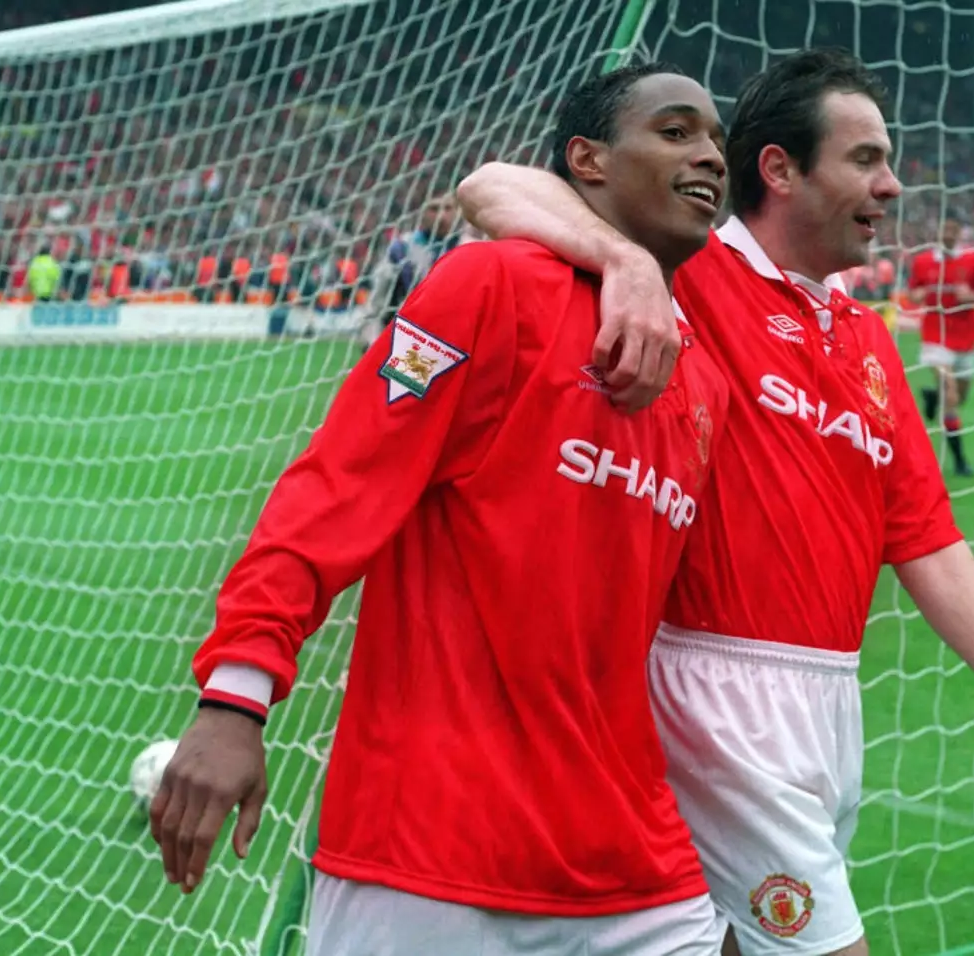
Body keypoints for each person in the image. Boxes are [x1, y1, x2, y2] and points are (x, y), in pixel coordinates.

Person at [457, 48, 974, 956]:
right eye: (865, 159)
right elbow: (490, 186)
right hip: (713, 696)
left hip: (829, 701)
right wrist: (626, 264)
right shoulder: (693, 268)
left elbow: (924, 535)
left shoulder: (866, 336)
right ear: (781, 170)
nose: (892, 184)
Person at [149, 63, 734, 956]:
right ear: (586, 160)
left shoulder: (701, 375)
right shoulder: (488, 287)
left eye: (719, 139)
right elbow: (338, 487)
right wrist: (236, 698)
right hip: (430, 851)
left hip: (632, 858)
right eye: (677, 131)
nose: (711, 156)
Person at [907, 208, 974, 477]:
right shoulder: (923, 261)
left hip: (966, 337)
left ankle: (932, 396)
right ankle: (960, 461)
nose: (948, 234)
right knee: (952, 394)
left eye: (953, 229)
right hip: (935, 336)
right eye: (944, 228)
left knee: (959, 396)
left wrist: (972, 297)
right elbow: (912, 293)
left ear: (960, 232)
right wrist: (917, 295)